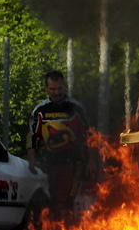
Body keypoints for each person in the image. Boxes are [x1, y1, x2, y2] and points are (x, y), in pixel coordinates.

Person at [27, 70, 94, 219]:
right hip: (49, 166)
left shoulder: (76, 108)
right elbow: (32, 138)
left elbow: (90, 137)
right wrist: (32, 162)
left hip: (74, 166)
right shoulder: (40, 110)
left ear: (64, 87)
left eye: (59, 88)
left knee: (73, 206)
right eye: (52, 89)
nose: (56, 92)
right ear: (46, 89)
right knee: (52, 206)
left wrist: (89, 163)